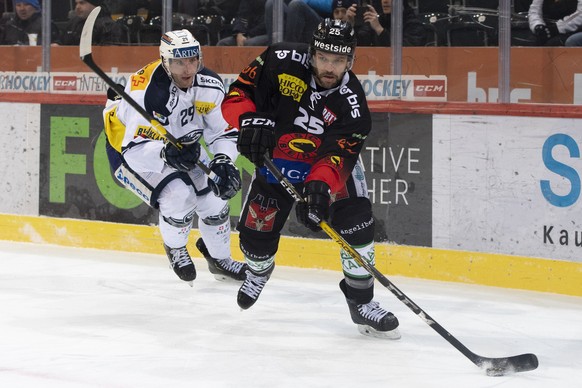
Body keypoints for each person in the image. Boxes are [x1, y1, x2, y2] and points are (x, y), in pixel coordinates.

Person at [221, 19, 400, 339]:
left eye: (339, 60)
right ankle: (259, 272)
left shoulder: (354, 105)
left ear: (351, 61)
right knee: (254, 243)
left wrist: (319, 187)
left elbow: (339, 156)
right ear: (312, 53)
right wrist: (247, 120)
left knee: (356, 223)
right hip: (276, 161)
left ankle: (361, 302)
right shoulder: (279, 61)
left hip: (325, 167)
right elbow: (238, 94)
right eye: (324, 58)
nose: (330, 67)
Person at [102, 29, 247, 285]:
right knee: (179, 195)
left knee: (214, 198)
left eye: (192, 60)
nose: (187, 68)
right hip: (132, 151)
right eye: (179, 62)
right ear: (165, 61)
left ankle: (220, 260)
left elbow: (223, 132)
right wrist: (165, 153)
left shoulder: (208, 86)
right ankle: (176, 248)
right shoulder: (146, 92)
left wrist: (224, 159)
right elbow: (134, 152)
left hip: (182, 144)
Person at [346, 0, 426, 46]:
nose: (385, 1)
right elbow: (360, 45)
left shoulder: (414, 24)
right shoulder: (379, 20)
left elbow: (407, 53)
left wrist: (379, 30)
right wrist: (351, 26)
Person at [58, 0, 124, 45]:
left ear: (94, 5)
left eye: (82, 3)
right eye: (76, 3)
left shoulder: (107, 26)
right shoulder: (73, 23)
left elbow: (109, 52)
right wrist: (57, 44)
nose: (77, 7)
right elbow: (61, 41)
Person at [265, 0, 332, 44]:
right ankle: (274, 50)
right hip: (293, 24)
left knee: (296, 4)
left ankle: (288, 51)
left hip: (321, 28)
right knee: (272, 3)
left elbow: (331, 5)